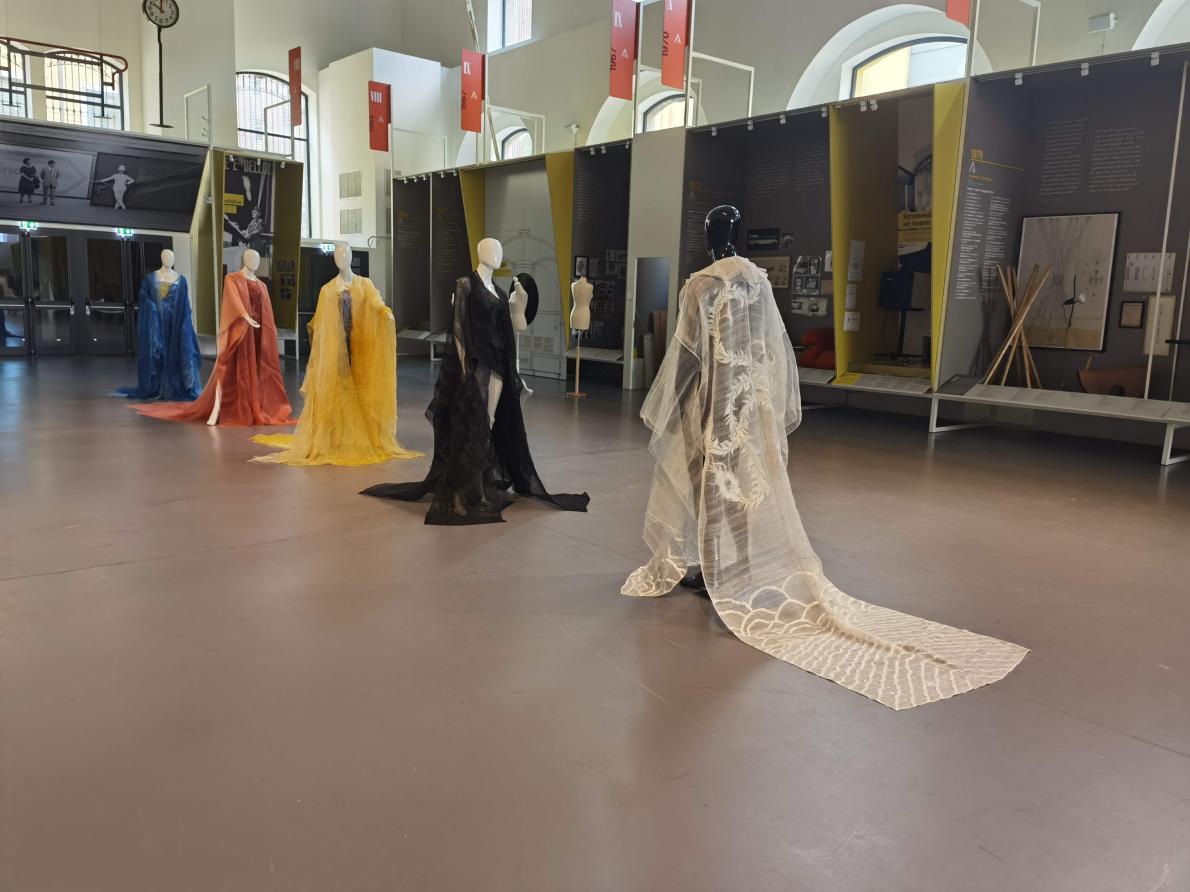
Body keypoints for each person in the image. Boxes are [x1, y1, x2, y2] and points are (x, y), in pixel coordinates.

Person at [621, 206, 1027, 710]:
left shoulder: (700, 285)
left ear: (710, 236)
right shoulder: (756, 281)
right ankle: (739, 565)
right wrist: (764, 408)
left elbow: (687, 356)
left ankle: (715, 571)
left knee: (710, 483)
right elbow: (772, 351)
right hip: (749, 406)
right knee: (745, 485)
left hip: (711, 406)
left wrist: (674, 409)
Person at [252, 264, 423, 467]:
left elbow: (376, 303)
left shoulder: (364, 284)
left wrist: (385, 312)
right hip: (336, 350)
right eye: (338, 255)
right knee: (337, 390)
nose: (342, 258)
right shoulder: (328, 289)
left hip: (361, 347)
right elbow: (320, 322)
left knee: (361, 389)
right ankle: (335, 437)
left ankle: (361, 435)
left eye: (346, 254)